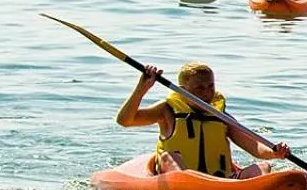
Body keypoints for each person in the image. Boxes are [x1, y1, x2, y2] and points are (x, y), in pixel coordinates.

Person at [116, 62, 290, 178]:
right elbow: (125, 120)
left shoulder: (221, 117)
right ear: (183, 90)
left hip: (219, 179)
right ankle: (189, 186)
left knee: (263, 168)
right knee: (170, 158)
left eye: (211, 86)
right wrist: (142, 89)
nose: (207, 93)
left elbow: (254, 147)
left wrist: (275, 152)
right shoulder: (167, 110)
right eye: (199, 88)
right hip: (180, 177)